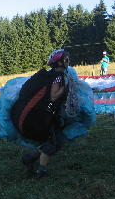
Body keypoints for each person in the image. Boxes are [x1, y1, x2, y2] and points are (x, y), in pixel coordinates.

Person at [11, 49, 70, 178]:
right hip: (44, 116)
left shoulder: (52, 74)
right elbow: (54, 96)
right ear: (59, 63)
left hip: (42, 115)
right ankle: (41, 170)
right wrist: (65, 88)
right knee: (55, 141)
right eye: (66, 60)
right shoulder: (58, 77)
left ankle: (30, 158)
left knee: (55, 140)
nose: (68, 62)